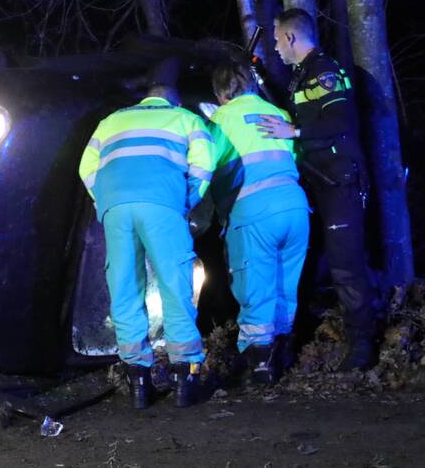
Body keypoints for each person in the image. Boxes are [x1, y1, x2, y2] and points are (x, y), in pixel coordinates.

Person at [78, 58, 214, 408]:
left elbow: (86, 167)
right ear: (174, 101)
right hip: (162, 204)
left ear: (146, 99)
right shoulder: (186, 119)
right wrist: (184, 200)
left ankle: (138, 381)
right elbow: (204, 165)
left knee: (125, 287)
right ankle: (185, 379)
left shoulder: (111, 121)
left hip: (115, 208)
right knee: (175, 284)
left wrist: (104, 198)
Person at [256, 8, 379, 371]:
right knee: (314, 264)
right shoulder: (303, 75)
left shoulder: (324, 71)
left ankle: (363, 346)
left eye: (277, 40)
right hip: (317, 181)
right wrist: (262, 77)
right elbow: (298, 111)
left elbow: (341, 121)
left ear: (291, 37)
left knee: (346, 264)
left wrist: (294, 133)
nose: (276, 47)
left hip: (341, 181)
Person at [206, 60, 310, 384]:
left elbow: (207, 164)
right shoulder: (277, 112)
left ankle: (259, 362)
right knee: (285, 283)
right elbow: (296, 155)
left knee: (255, 285)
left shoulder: (221, 119)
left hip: (254, 210)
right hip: (295, 206)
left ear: (221, 93)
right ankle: (283, 351)